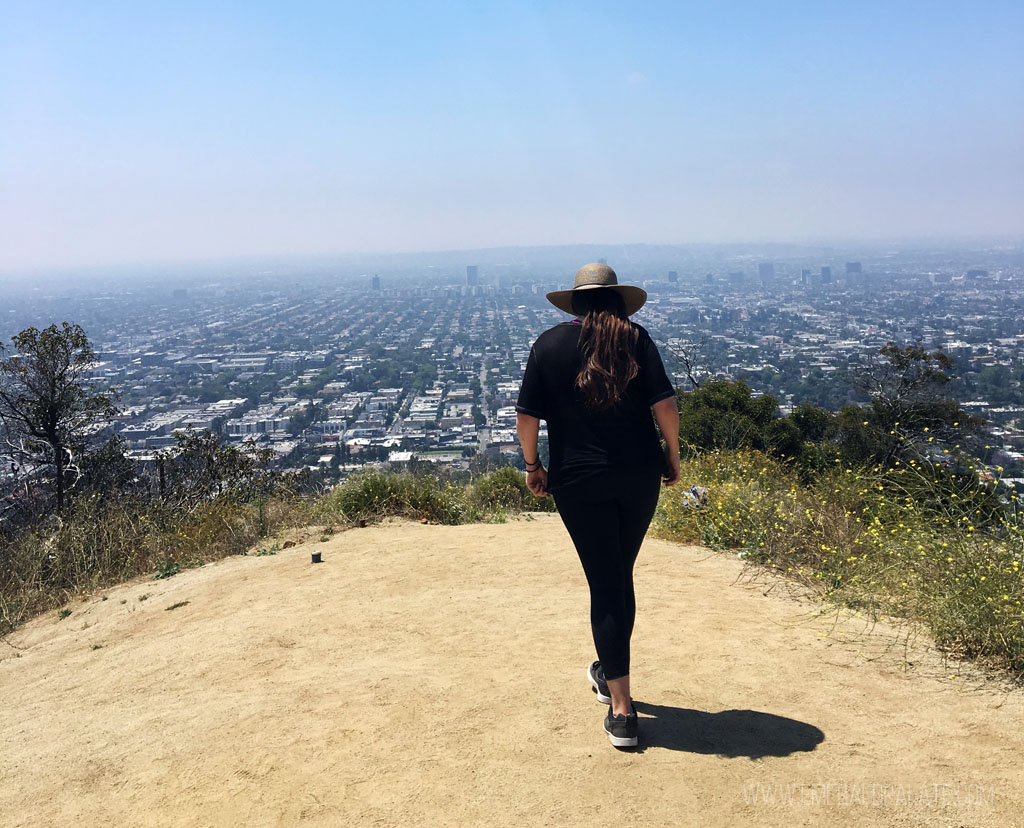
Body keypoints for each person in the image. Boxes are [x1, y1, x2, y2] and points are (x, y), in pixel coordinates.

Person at [515, 263, 680, 748]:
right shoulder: (636, 339)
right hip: (637, 476)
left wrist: (533, 466)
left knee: (606, 582)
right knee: (617, 575)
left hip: (579, 480)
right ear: (617, 301)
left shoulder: (549, 345)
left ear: (577, 303)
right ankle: (608, 668)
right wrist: (671, 453)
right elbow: (665, 405)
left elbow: (527, 417)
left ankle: (623, 711)